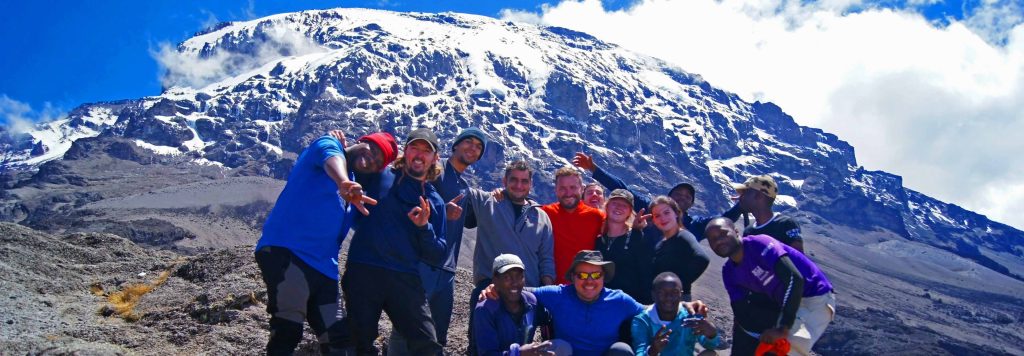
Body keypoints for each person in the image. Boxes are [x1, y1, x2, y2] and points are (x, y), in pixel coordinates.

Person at [254, 132, 395, 355]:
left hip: (324, 270)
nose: (373, 159)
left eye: (379, 162)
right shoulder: (328, 146)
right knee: (287, 327)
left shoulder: (354, 191)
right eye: (374, 150)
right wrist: (343, 182)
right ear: (362, 141)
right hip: (289, 252)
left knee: (339, 338)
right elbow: (331, 157)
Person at [342, 128, 449, 355]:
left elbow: (438, 254)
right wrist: (344, 146)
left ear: (435, 158)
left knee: (428, 344)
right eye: (414, 148)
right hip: (364, 268)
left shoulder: (435, 201)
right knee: (358, 342)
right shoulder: (379, 176)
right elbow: (347, 170)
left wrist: (424, 228)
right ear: (405, 151)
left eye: (426, 151)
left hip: (405, 276)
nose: (419, 155)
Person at [389, 127, 488, 355]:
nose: (472, 148)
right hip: (420, 264)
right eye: (468, 142)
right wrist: (442, 210)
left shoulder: (463, 186)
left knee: (436, 336)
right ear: (455, 145)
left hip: (446, 271)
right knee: (406, 329)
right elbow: (409, 200)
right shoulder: (435, 171)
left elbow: (475, 219)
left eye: (478, 147)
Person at [704, 218, 836, 356]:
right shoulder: (729, 272)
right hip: (785, 305)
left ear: (736, 231)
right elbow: (741, 310)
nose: (719, 241)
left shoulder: (760, 244)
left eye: (723, 234)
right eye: (713, 239)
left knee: (784, 349)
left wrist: (783, 327)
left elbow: (794, 279)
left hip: (813, 297)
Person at [464, 160, 556, 355]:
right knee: (481, 344)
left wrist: (545, 292)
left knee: (523, 341)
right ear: (504, 180)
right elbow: (459, 188)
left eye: (524, 181)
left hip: (526, 291)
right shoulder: (487, 202)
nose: (519, 185)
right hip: (491, 288)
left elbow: (546, 259)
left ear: (531, 184)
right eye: (513, 180)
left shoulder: (541, 216)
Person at [573, 152, 740, 243]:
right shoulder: (651, 208)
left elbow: (725, 220)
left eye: (687, 196)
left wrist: (741, 205)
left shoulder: (696, 225)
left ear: (692, 203)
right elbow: (623, 189)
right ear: (668, 197)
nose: (682, 198)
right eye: (677, 194)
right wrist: (595, 170)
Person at [473, 254, 566, 356]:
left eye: (519, 276)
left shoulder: (532, 302)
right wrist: (518, 353)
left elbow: (549, 319)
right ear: (495, 279)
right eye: (507, 277)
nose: (515, 283)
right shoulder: (485, 309)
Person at [631, 272, 720, 356]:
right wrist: (652, 351)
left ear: (681, 295)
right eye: (662, 293)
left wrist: (711, 334)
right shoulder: (642, 321)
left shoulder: (690, 316)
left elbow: (710, 345)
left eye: (674, 292)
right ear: (653, 295)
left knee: (711, 354)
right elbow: (640, 352)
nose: (668, 297)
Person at [542, 166, 605, 284]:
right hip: (554, 289)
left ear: (581, 189)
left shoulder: (597, 216)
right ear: (555, 190)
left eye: (573, 187)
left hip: (586, 287)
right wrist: (500, 194)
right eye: (562, 188)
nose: (568, 193)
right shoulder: (545, 213)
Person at [594, 189, 654, 304]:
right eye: (615, 203)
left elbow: (646, 276)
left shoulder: (637, 238)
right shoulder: (598, 240)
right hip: (601, 305)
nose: (618, 207)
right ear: (607, 206)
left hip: (630, 306)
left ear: (630, 212)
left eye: (624, 205)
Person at [648, 196, 710, 302]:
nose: (662, 218)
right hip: (659, 300)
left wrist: (675, 286)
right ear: (653, 220)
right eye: (657, 216)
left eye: (666, 213)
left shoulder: (684, 236)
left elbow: (702, 259)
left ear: (676, 213)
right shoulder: (661, 241)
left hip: (675, 301)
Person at [732, 175, 804, 252]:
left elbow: (798, 260)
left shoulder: (786, 224)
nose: (739, 197)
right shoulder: (748, 231)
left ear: (759, 196)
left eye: (744, 193)